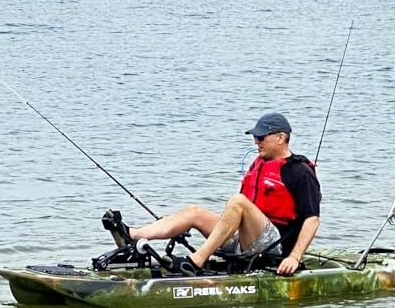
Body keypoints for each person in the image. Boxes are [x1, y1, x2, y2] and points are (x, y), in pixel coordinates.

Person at [112, 112, 321, 276]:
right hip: (247, 239)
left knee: (238, 201)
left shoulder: (299, 172)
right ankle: (132, 236)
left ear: (280, 138)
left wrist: (294, 257)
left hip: (273, 246)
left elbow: (312, 220)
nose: (256, 142)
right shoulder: (258, 165)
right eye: (255, 138)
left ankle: (196, 260)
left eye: (260, 137)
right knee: (194, 212)